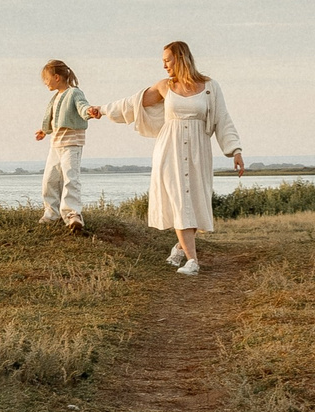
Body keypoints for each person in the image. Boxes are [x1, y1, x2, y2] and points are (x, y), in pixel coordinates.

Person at [103, 40, 244, 275]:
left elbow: (223, 118)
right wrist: (102, 110)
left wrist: (235, 150)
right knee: (179, 200)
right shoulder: (165, 87)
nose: (164, 65)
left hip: (198, 151)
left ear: (180, 58)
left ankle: (180, 247)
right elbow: (132, 104)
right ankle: (192, 261)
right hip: (170, 150)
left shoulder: (210, 87)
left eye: (167, 60)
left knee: (195, 201)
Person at [33, 59, 99, 232]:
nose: (45, 82)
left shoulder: (74, 93)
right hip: (55, 144)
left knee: (70, 177)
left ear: (56, 77)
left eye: (46, 78)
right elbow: (55, 118)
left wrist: (89, 111)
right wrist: (44, 131)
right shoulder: (56, 97)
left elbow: (82, 107)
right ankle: (51, 213)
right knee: (50, 179)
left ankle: (72, 214)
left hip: (72, 144)